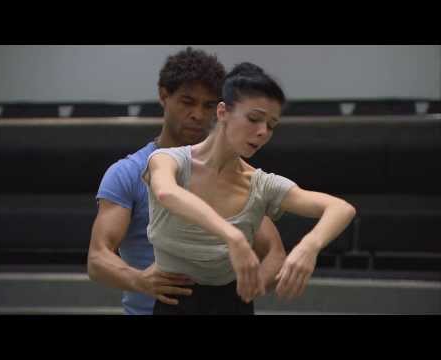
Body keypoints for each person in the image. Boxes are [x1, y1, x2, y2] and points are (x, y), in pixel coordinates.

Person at [142, 62, 357, 315]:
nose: (263, 132)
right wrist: (233, 237)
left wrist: (309, 246)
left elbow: (341, 208)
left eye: (271, 125)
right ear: (222, 112)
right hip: (173, 302)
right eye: (254, 119)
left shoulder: (261, 183)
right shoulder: (169, 159)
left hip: (231, 303)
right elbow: (167, 192)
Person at [87, 48, 287, 315]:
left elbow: (275, 252)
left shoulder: (231, 174)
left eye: (207, 105)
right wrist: (140, 281)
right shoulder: (128, 172)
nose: (197, 114)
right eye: (187, 101)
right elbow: (98, 259)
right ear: (163, 96)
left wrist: (249, 286)